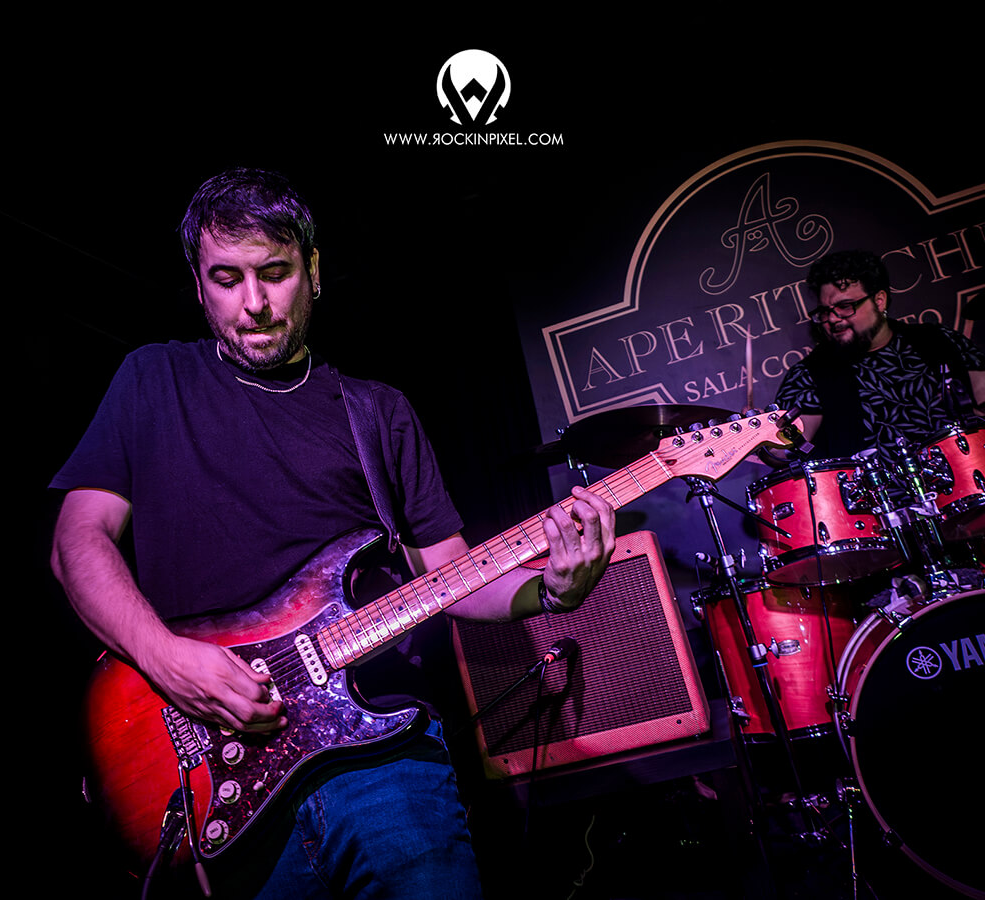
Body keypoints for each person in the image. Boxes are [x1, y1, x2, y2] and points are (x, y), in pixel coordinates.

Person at [49, 167, 616, 899]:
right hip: (221, 780)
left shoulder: (376, 411)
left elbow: (448, 573)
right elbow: (76, 544)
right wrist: (168, 659)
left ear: (313, 271)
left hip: (379, 764)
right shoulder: (152, 380)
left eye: (274, 273)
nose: (254, 304)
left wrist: (550, 590)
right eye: (227, 279)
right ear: (199, 284)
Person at [775, 249, 985, 466]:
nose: (833, 319)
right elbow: (784, 448)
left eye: (845, 306)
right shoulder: (811, 374)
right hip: (884, 497)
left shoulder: (938, 339)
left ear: (879, 301)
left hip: (972, 478)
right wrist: (768, 443)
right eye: (825, 312)